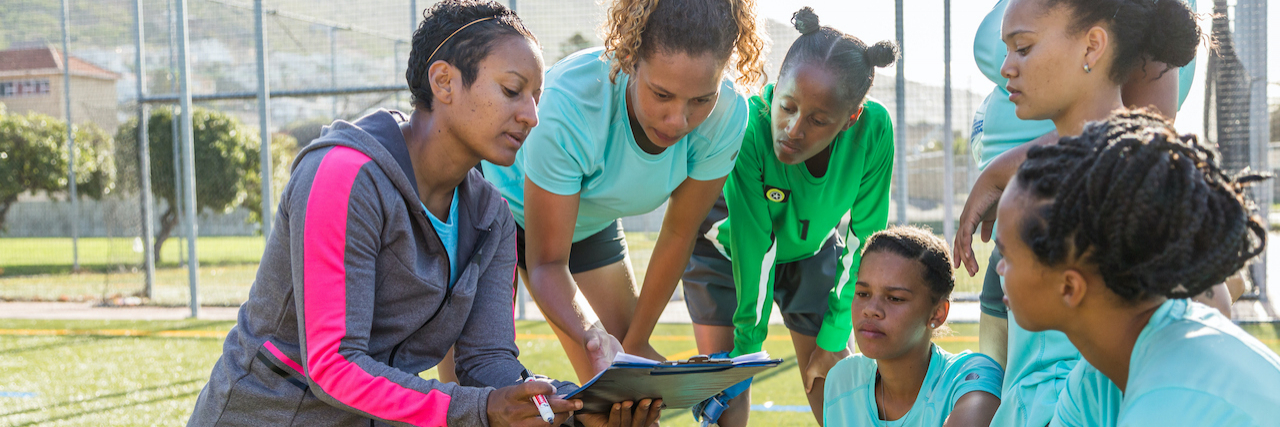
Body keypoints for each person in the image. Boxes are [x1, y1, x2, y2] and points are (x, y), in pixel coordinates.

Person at [188, 1, 661, 425]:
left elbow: (487, 365)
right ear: (444, 82)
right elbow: (333, 366)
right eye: (513, 90)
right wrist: (480, 409)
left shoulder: (492, 218)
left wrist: (574, 408)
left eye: (536, 96)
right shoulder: (342, 177)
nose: (531, 115)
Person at [479, 0, 767, 384]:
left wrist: (633, 348)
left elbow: (680, 234)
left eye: (700, 99)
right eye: (662, 95)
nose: (678, 120)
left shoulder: (728, 115)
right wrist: (595, 336)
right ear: (629, 58)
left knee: (633, 398)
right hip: (489, 210)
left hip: (587, 225)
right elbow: (547, 263)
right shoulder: (571, 102)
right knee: (475, 397)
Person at [949, 0, 1205, 425]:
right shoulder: (1057, 184)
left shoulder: (1106, 204)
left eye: (1024, 49)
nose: (1006, 68)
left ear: (1093, 48)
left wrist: (1001, 174)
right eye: (1007, 50)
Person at [678, 8, 895, 425]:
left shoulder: (874, 130)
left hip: (809, 252)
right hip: (728, 255)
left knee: (834, 391)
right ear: (775, 89)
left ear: (849, 120)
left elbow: (865, 239)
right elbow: (754, 244)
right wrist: (745, 351)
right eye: (788, 106)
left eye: (818, 121)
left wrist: (834, 337)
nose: (794, 130)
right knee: (728, 400)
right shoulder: (749, 126)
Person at [994, 109, 1280, 426]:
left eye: (1006, 255)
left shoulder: (1170, 404)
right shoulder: (1099, 376)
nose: (1000, 270)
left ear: (1069, 288)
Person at [824, 226, 1003, 427]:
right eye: (863, 293)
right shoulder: (842, 380)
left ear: (938, 313)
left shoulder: (970, 378)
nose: (870, 309)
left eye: (895, 298)